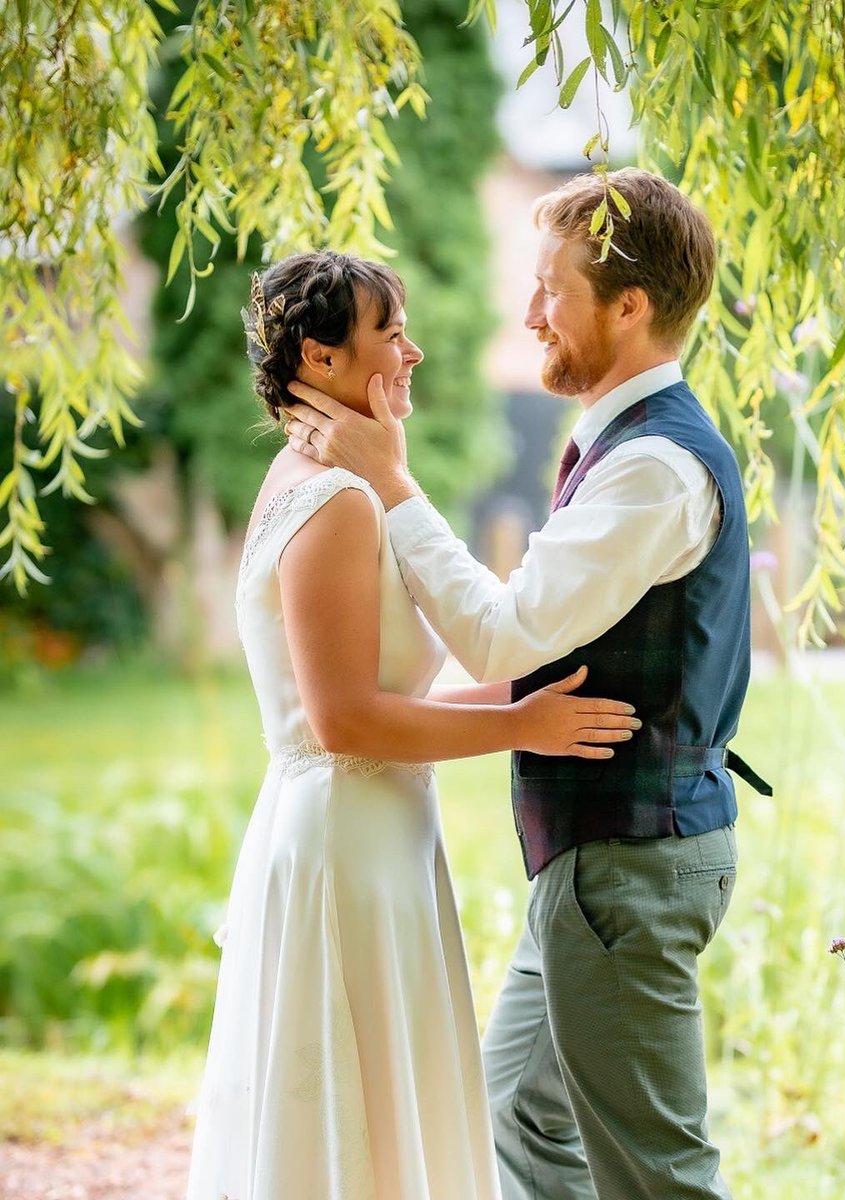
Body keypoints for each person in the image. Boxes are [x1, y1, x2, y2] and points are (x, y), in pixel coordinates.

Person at [285, 169, 771, 1200]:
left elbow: (504, 635)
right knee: (515, 1114)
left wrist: (396, 485)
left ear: (629, 307)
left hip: (632, 866)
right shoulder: (622, 446)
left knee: (658, 1175)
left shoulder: (652, 468)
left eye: (551, 288)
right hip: (600, 868)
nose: (529, 313)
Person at [185, 250, 642, 1200]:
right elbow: (344, 718)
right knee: (351, 1113)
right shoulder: (339, 502)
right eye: (390, 334)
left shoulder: (321, 480)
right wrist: (521, 725)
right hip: (346, 847)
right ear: (318, 358)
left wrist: (531, 704)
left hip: (370, 834)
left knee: (374, 1107)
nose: (414, 353)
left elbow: (377, 704)